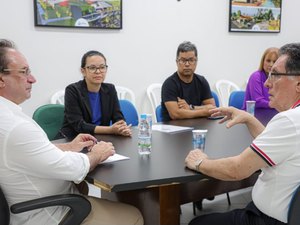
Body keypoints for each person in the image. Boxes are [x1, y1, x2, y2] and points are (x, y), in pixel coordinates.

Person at [0, 39, 143, 225]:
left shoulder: (9, 117)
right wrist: (97, 155)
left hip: (43, 197)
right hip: (49, 212)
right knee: (135, 215)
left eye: (102, 67)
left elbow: (30, 151)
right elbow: (74, 167)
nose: (32, 78)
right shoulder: (16, 127)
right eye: (24, 72)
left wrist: (68, 146)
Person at [185, 42, 300, 225]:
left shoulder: (290, 121)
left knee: (195, 223)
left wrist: (199, 162)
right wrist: (249, 118)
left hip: (267, 220)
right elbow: (278, 147)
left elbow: (237, 169)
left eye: (276, 75)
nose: (267, 83)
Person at [60, 50, 132, 139]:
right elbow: (79, 125)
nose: (98, 72)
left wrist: (122, 127)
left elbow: (118, 117)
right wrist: (110, 130)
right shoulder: (73, 90)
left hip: (101, 138)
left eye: (102, 67)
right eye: (92, 68)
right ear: (83, 71)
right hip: (73, 139)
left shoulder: (110, 89)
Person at [161, 41, 216, 122]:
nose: (187, 64)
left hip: (199, 128)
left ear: (196, 61)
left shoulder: (201, 81)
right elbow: (175, 114)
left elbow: (212, 108)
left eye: (191, 60)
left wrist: (191, 107)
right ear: (177, 62)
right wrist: (204, 111)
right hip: (175, 130)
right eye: (183, 60)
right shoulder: (169, 84)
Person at [242, 47, 279, 122]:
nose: (271, 64)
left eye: (274, 61)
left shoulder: (279, 78)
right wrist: (275, 104)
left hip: (273, 115)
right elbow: (257, 101)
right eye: (268, 61)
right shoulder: (256, 76)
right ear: (263, 61)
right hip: (254, 116)